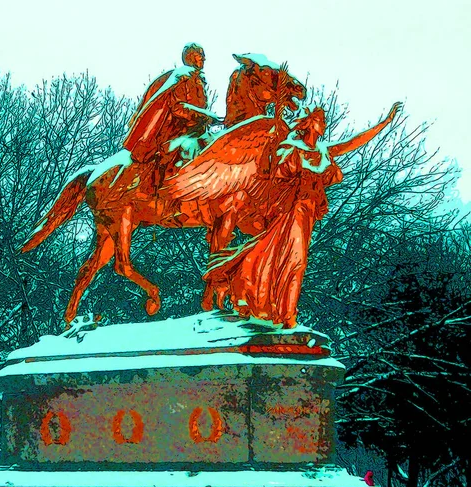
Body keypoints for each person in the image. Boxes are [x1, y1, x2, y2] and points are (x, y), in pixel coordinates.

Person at [204, 102, 401, 327]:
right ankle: (285, 315)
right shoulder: (291, 150)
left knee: (294, 263)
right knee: (289, 262)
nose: (324, 125)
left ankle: (285, 313)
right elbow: (269, 174)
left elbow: (352, 143)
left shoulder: (323, 152)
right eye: (320, 120)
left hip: (306, 214)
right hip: (289, 212)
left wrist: (384, 123)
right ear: (310, 123)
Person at [119, 43, 210, 195]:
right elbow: (177, 108)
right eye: (200, 55)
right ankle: (158, 191)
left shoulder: (198, 80)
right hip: (175, 130)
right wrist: (202, 116)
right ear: (190, 57)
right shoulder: (183, 78)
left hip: (195, 130)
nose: (204, 58)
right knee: (174, 154)